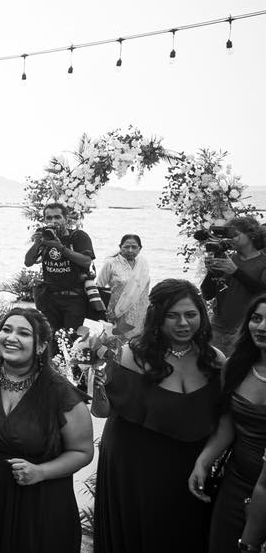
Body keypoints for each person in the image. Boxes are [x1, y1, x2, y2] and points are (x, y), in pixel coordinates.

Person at [94, 279, 221, 553]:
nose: (183, 323)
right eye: (172, 316)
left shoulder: (214, 360)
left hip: (190, 466)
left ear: (202, 314)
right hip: (134, 466)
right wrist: (97, 384)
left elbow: (226, 421)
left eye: (190, 314)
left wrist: (206, 460)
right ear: (157, 317)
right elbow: (101, 411)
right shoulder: (130, 355)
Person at [0, 308, 93, 553]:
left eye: (23, 333)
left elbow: (82, 451)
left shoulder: (59, 393)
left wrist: (41, 472)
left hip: (37, 504)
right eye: (6, 330)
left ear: (41, 346)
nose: (11, 337)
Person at [192, 291, 266, 552]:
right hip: (236, 481)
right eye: (256, 318)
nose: (262, 327)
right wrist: (204, 460)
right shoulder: (235, 366)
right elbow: (228, 424)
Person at [23, 202, 95, 340]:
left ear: (66, 219)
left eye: (57, 217)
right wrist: (37, 242)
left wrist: (61, 247)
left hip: (74, 299)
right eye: (48, 218)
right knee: (49, 340)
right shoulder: (45, 237)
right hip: (49, 299)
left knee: (71, 340)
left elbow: (86, 261)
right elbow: (28, 262)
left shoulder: (78, 236)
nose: (53, 221)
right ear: (44, 220)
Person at [201, 216, 266, 352]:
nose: (230, 239)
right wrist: (211, 272)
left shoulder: (262, 263)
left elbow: (262, 293)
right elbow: (207, 294)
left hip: (245, 329)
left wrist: (236, 272)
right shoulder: (227, 259)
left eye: (235, 235)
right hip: (218, 326)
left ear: (251, 235)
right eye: (228, 235)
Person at [95, 234, 151, 337]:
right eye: (126, 247)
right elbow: (98, 289)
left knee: (138, 344)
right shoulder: (111, 264)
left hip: (140, 314)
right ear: (120, 247)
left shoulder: (143, 264)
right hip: (118, 314)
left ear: (140, 249)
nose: (130, 250)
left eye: (134, 247)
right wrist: (106, 312)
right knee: (118, 345)